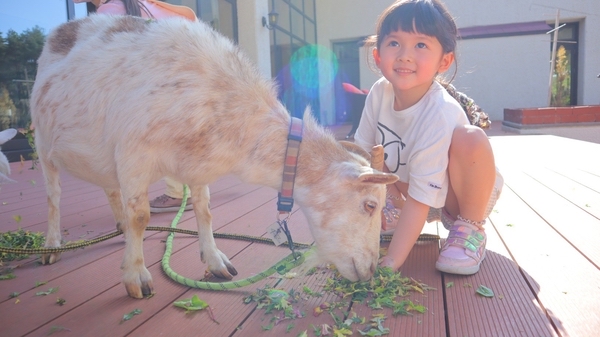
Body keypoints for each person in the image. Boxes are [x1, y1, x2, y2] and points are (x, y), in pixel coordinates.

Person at [354, 0, 503, 275]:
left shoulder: (440, 112)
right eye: (394, 43)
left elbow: (423, 200)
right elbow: (362, 156)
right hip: (409, 190)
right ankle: (395, 212)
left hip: (459, 195)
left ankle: (469, 229)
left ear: (444, 61)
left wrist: (390, 263)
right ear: (377, 56)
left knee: (471, 138)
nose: (405, 55)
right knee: (371, 156)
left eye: (421, 45)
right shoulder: (379, 93)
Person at [73, 0, 196, 212]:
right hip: (177, 81)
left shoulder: (108, 12)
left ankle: (172, 194)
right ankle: (183, 191)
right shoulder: (141, 5)